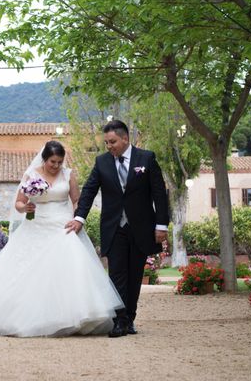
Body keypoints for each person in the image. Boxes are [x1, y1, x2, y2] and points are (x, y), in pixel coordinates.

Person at [0, 140, 123, 337]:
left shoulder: (68, 174)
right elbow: (19, 203)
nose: (56, 166)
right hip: (36, 225)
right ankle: (31, 317)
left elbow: (76, 200)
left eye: (59, 162)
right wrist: (26, 208)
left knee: (68, 268)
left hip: (62, 226)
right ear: (45, 159)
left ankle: (74, 317)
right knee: (27, 270)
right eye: (52, 162)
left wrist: (76, 220)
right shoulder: (31, 175)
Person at [67, 119, 170, 338]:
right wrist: (79, 218)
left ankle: (129, 319)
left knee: (135, 276)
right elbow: (89, 192)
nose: (109, 146)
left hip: (142, 228)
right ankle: (118, 321)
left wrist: (162, 226)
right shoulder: (101, 162)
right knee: (116, 275)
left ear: (125, 138)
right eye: (106, 143)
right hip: (114, 228)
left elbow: (159, 194)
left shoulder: (147, 158)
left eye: (112, 141)